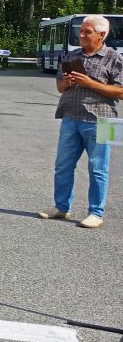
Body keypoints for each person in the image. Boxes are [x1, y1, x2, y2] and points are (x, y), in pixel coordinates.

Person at [38, 15, 123, 229]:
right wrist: (65, 82)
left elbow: (121, 92)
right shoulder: (71, 55)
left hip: (102, 121)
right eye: (82, 31)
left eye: (87, 32)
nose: (81, 35)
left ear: (102, 35)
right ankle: (61, 207)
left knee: (98, 169)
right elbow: (59, 87)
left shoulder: (115, 58)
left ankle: (96, 213)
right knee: (63, 166)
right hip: (70, 118)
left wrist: (90, 83)